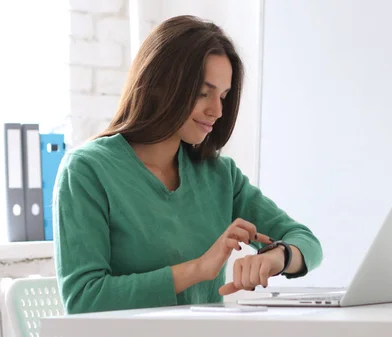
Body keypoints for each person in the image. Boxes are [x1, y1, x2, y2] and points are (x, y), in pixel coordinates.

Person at [52, 15, 323, 314]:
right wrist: (199, 268)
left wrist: (277, 257)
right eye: (203, 93)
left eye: (223, 95)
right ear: (158, 85)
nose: (217, 110)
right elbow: (83, 300)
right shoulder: (87, 170)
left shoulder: (219, 175)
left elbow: (306, 242)